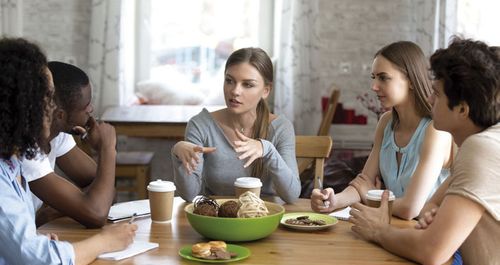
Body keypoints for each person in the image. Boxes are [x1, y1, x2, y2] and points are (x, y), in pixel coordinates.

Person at [349, 37, 500, 265]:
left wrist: (378, 230)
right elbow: (430, 207)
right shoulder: (484, 143)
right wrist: (433, 213)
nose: (429, 100)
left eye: (437, 94)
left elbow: (432, 251)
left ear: (462, 109)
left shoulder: (481, 149)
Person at [0, 37, 136, 265]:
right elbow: (43, 264)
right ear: (21, 106)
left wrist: (33, 238)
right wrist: (104, 242)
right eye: (48, 97)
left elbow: (100, 192)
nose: (52, 108)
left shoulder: (11, 161)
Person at [311, 41, 453, 220]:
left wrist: (371, 196)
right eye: (374, 77)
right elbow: (364, 181)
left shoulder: (435, 130)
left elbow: (410, 209)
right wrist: (332, 200)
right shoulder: (386, 123)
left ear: (410, 80)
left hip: (426, 237)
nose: (374, 86)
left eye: (383, 77)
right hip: (391, 228)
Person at [172, 47, 300, 203]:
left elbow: (292, 196)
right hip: (216, 220)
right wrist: (178, 152)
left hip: (264, 219)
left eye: (247, 84)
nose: (235, 91)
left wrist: (267, 150)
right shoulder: (201, 125)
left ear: (266, 90)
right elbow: (190, 194)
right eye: (229, 81)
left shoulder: (281, 128)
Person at [22, 61, 117, 228]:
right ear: (60, 115)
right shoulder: (26, 148)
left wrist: (55, 211)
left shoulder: (56, 132)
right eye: (86, 106)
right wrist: (107, 149)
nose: (91, 110)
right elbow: (97, 213)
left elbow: (105, 193)